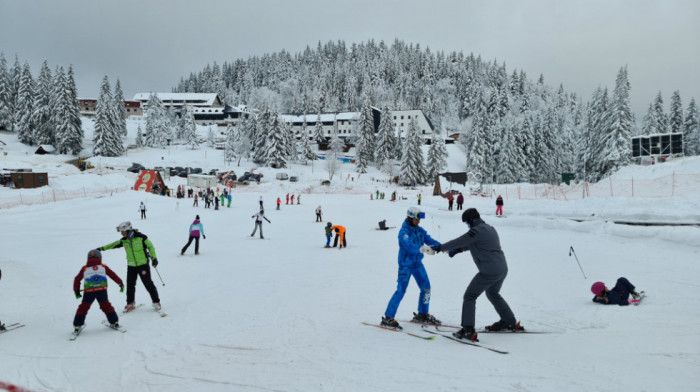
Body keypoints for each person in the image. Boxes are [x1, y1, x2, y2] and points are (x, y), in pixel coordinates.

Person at [433, 208, 520, 342]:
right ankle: (509, 321)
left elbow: (461, 240)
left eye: (467, 223)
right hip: (502, 268)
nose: (467, 226)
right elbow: (475, 244)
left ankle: (468, 329)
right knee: (492, 293)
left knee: (469, 296)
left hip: (489, 270)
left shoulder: (476, 230)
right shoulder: (489, 228)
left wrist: (440, 248)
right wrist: (458, 250)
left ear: (472, 220)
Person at [381, 207, 442, 330]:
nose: (418, 221)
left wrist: (443, 247)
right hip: (405, 265)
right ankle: (388, 317)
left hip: (417, 264)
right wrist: (422, 249)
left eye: (419, 219)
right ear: (410, 218)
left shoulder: (419, 231)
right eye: (416, 219)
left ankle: (423, 314)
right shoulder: (403, 232)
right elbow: (409, 246)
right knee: (401, 291)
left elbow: (429, 239)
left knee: (426, 288)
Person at [99, 221, 162, 312]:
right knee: (130, 285)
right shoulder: (124, 241)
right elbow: (113, 245)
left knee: (148, 283)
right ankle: (130, 303)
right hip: (131, 266)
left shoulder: (141, 237)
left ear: (128, 230)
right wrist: (101, 249)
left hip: (143, 265)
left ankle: (156, 302)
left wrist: (154, 258)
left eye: (123, 231)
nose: (121, 233)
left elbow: (151, 247)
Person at [72, 249, 124, 333]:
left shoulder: (84, 268)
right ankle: (114, 322)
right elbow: (112, 275)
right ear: (100, 257)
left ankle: (77, 325)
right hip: (101, 291)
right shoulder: (103, 267)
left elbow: (77, 279)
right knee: (106, 305)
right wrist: (120, 283)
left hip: (89, 292)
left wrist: (76, 290)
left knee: (83, 307)